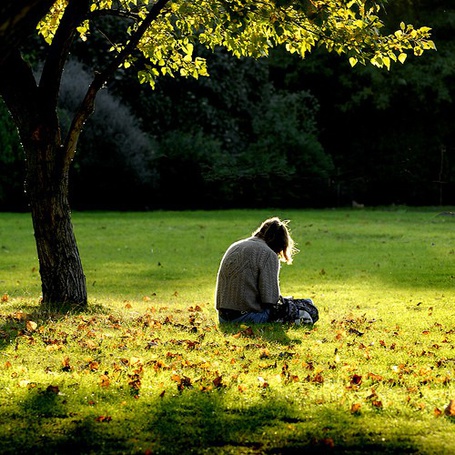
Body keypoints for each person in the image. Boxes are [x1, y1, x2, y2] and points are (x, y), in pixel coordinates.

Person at [215, 217, 318, 325]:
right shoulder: (268, 254)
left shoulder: (236, 245)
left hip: (223, 318)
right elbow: (270, 300)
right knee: (307, 306)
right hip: (247, 317)